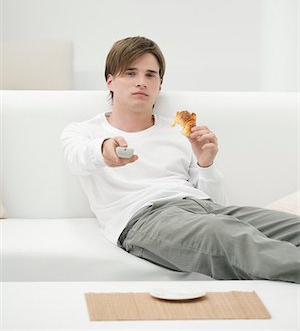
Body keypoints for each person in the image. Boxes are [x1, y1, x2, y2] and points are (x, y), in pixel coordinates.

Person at [61, 36, 300, 283]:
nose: (141, 82)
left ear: (160, 85)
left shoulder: (178, 132)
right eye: (131, 73)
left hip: (203, 209)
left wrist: (205, 164)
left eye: (150, 75)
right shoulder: (84, 132)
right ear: (110, 81)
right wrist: (104, 150)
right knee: (227, 235)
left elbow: (216, 205)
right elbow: (78, 158)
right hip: (143, 219)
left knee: (291, 228)